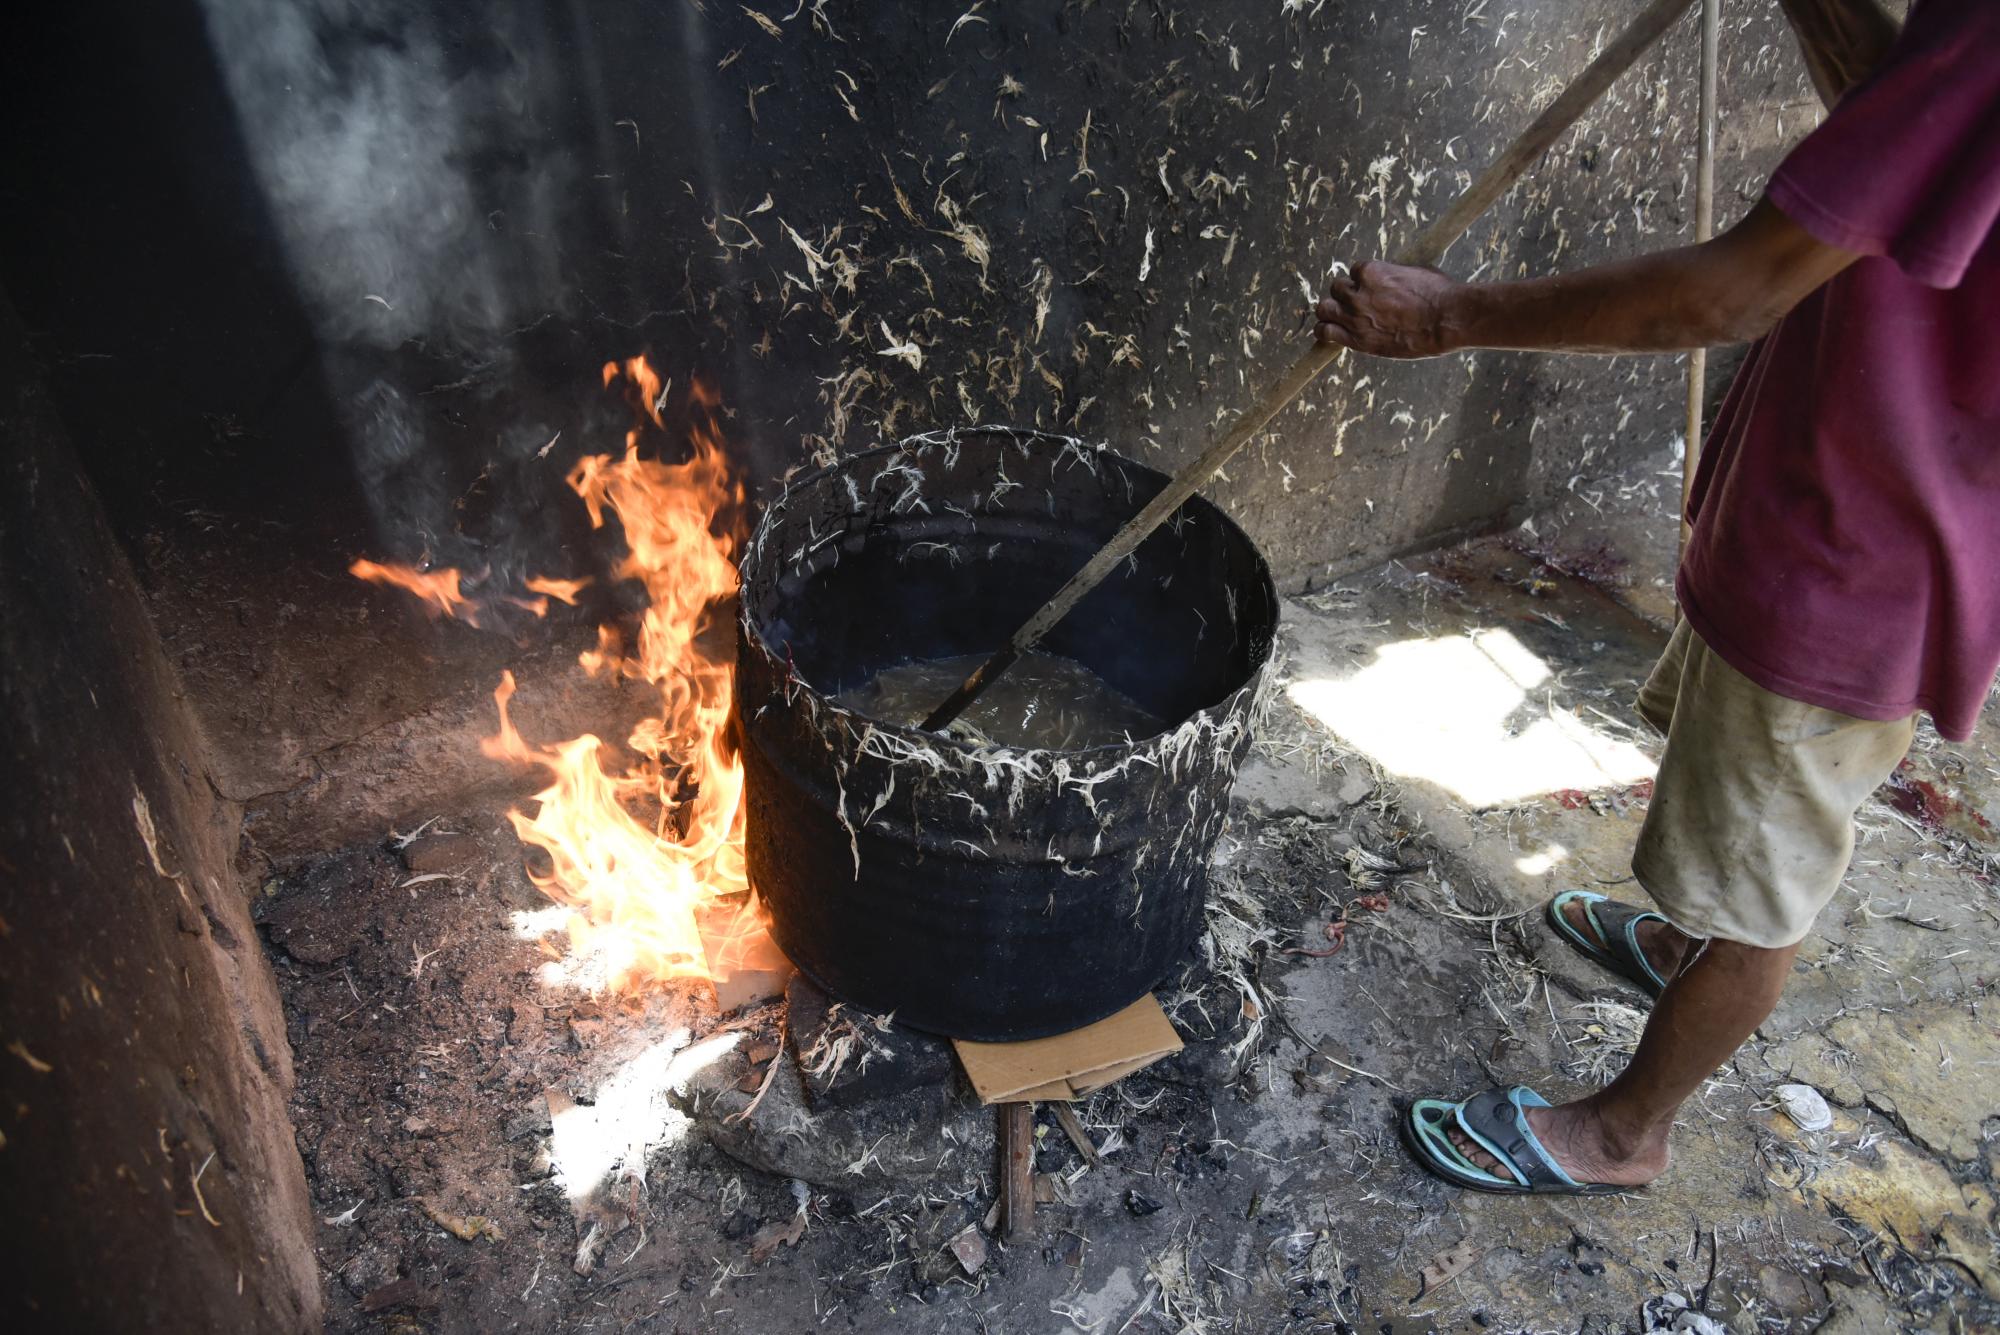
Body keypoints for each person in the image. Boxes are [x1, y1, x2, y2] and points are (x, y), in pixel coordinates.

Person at [1312, 0, 2000, 1195]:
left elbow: (1722, 300)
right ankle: (1683, 944)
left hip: (1863, 555)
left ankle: (1624, 1134)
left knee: (1759, 898)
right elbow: (1901, 124)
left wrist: (1445, 316)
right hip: (1848, 501)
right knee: (1729, 824)